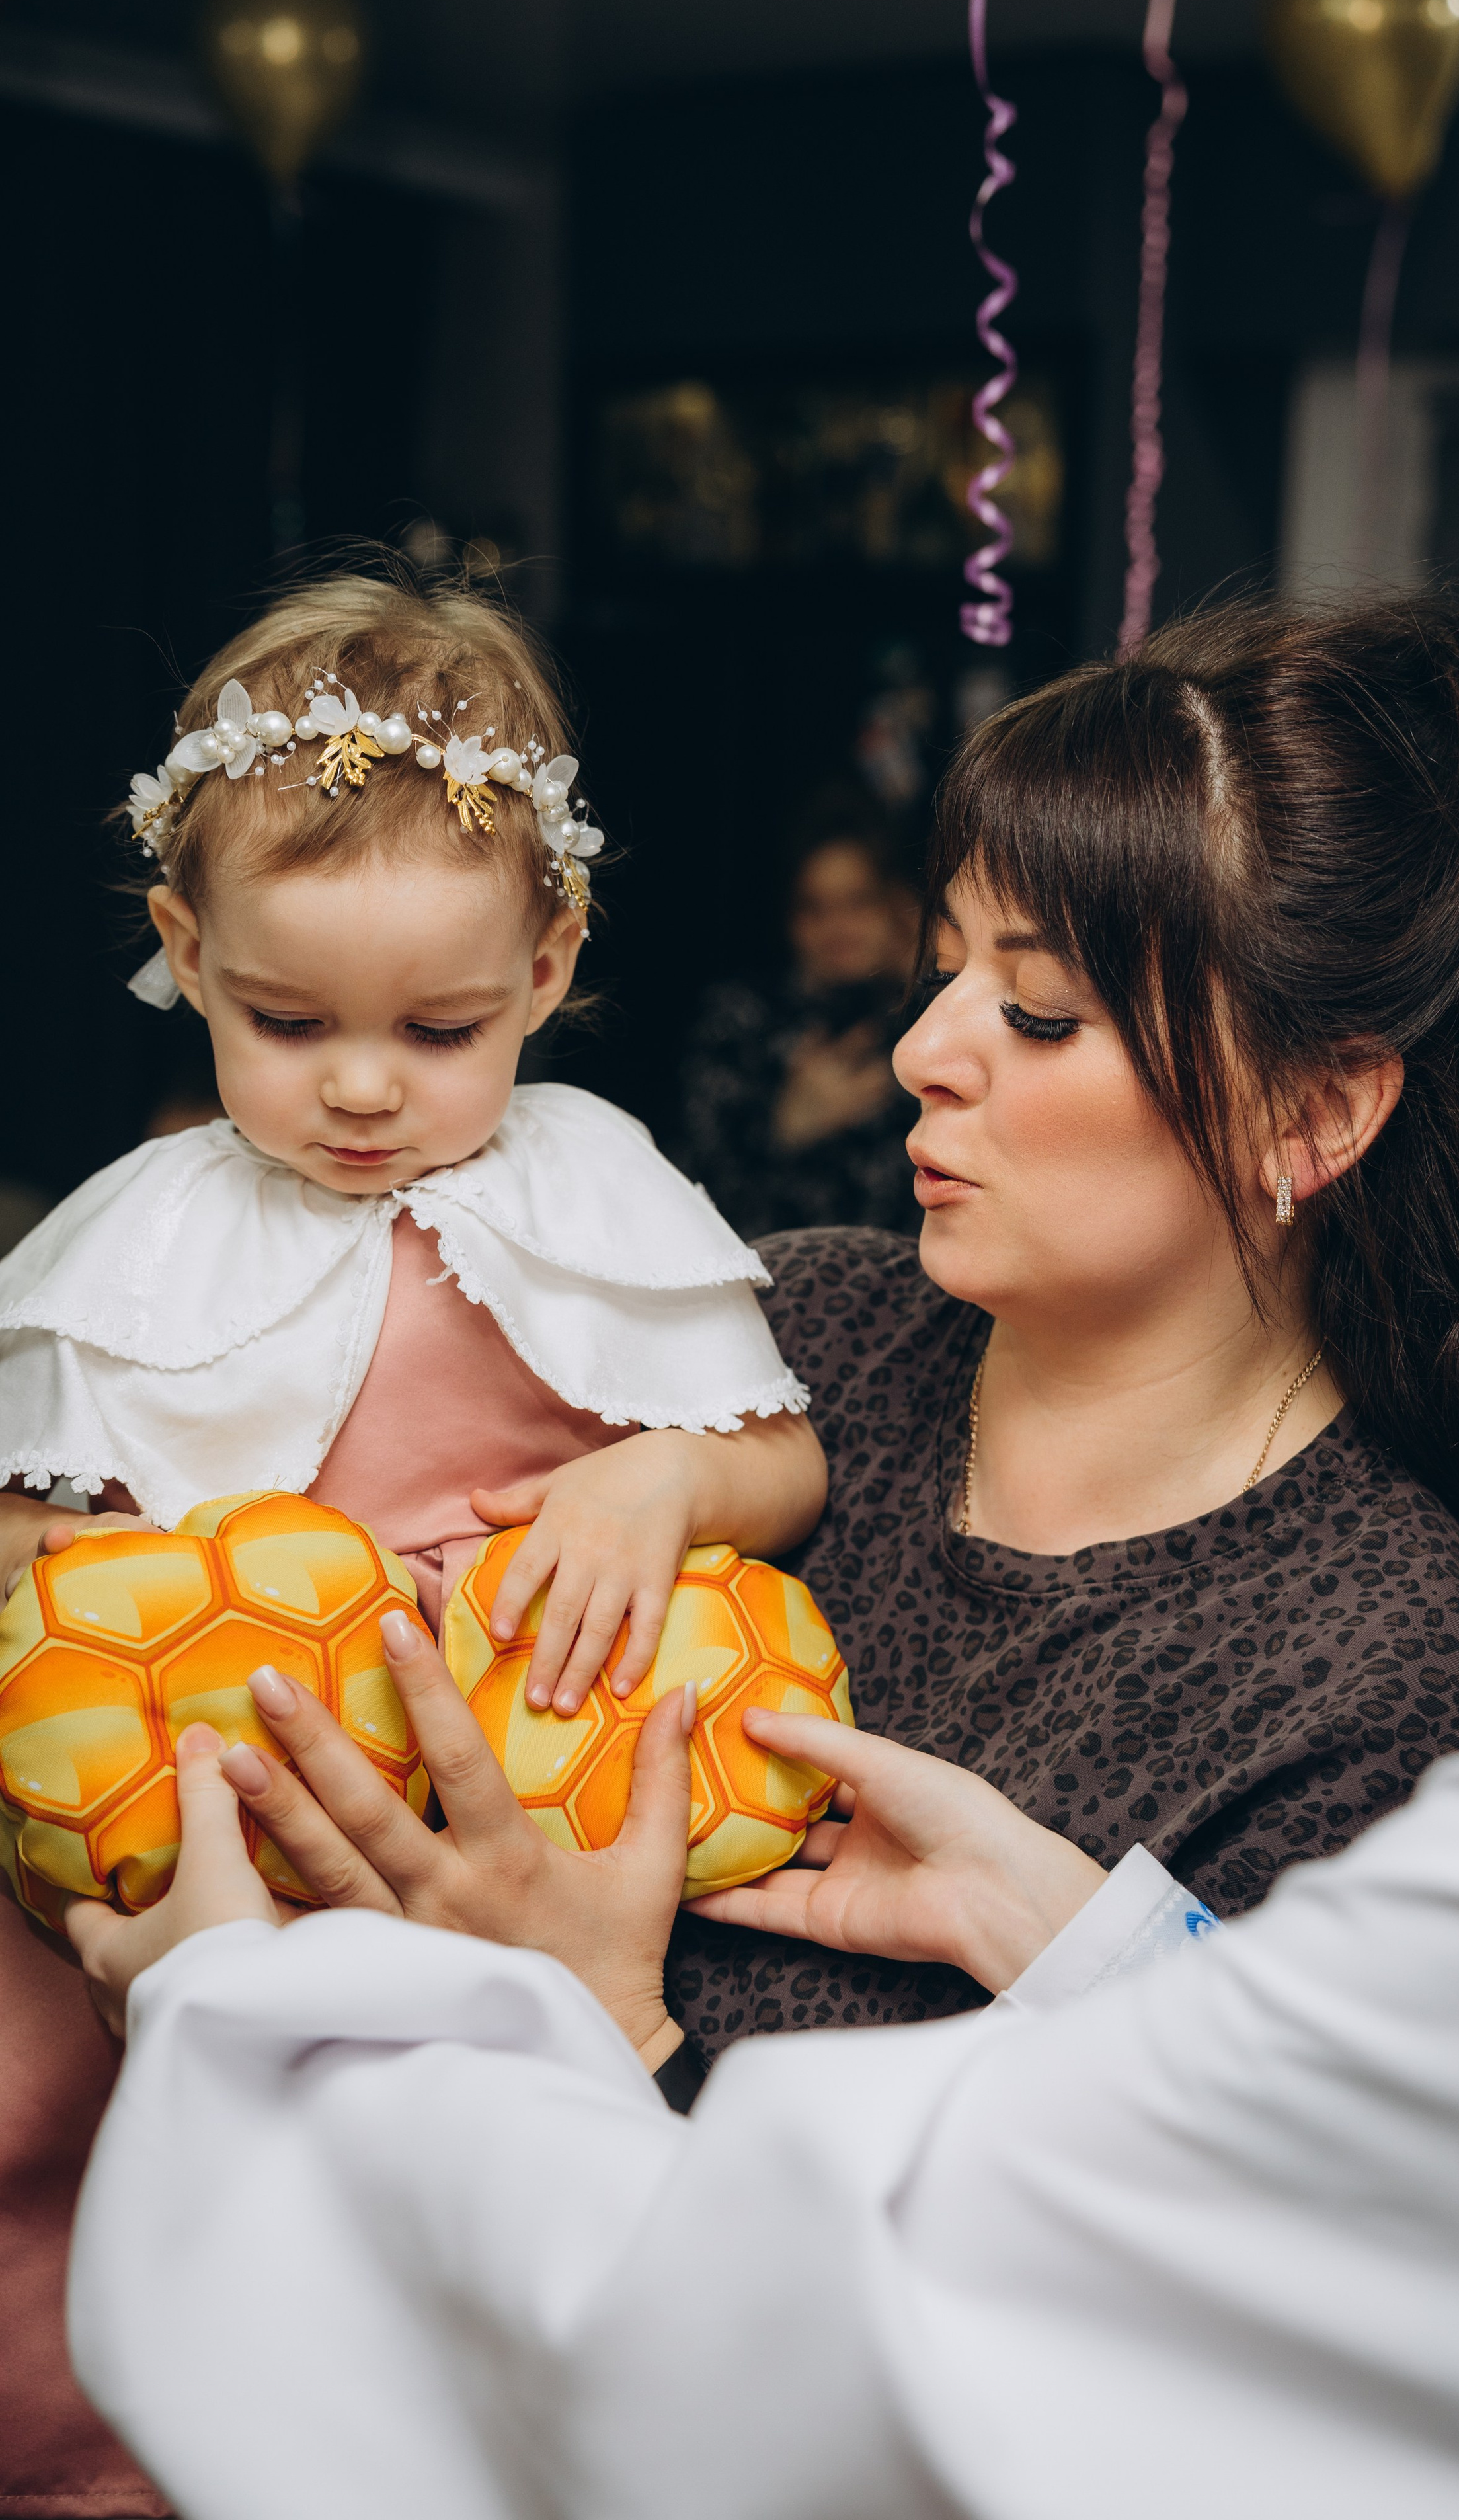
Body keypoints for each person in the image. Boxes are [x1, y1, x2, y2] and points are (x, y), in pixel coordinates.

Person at [0, 569, 825, 2514]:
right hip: (184, 1814)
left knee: (423, 2242)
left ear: (549, 966)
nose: (362, 1086)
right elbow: (35, 1492)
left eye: (440, 1028)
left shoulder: (596, 1188)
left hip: (489, 1840)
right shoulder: (143, 1226)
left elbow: (779, 1462)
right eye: (286, 1021)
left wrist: (659, 1479)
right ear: (183, 952)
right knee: (60, 2152)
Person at [61, 1603, 1459, 2520]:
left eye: (1040, 1010)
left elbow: (789, 2373)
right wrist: (1085, 1945)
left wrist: (242, 2009)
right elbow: (1407, 2205)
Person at [666, 597, 1459, 2062]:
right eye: (943, 968)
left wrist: (601, 2008)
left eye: (1041, 1014)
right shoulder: (784, 1337)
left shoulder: (1397, 1709)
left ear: (1312, 1113)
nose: (918, 1053)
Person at [677, 785, 921, 1237]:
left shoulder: (928, 1019)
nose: (837, 927)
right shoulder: (742, 1018)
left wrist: (924, 969)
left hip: (913, 1287)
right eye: (814, 907)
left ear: (895, 903)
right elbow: (691, 1195)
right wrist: (787, 1126)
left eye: (858, 902)